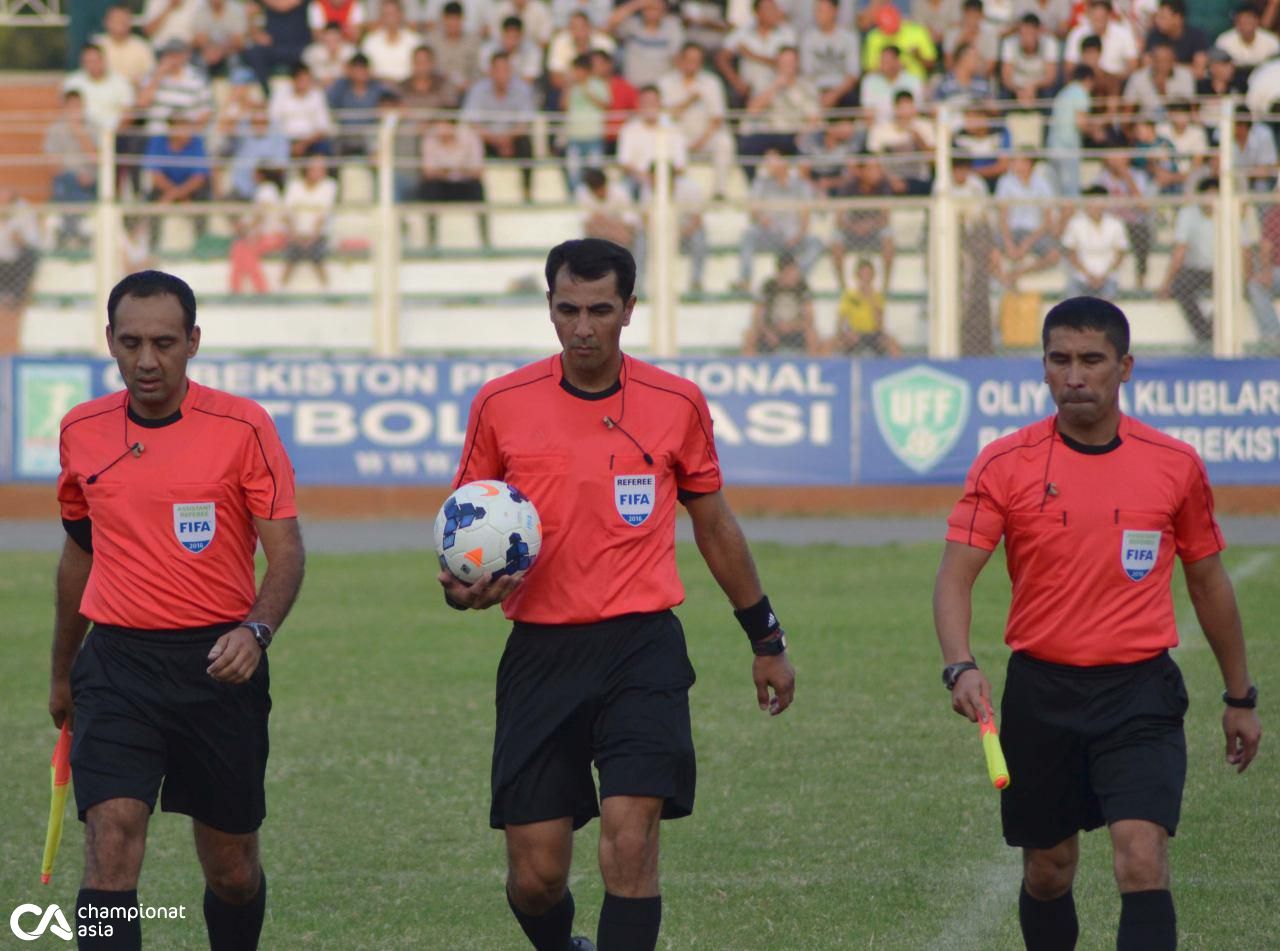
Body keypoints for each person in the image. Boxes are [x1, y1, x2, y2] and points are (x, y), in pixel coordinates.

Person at [440, 238, 795, 951]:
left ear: (629, 310)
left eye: (600, 309)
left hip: (642, 647)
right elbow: (465, 531)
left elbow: (715, 525)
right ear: (549, 307)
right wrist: (459, 591)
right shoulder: (500, 404)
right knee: (536, 875)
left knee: (629, 842)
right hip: (541, 650)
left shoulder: (676, 403)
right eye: (567, 309)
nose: (583, 327)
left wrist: (766, 637)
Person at [932, 295, 1260, 951]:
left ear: (1125, 366)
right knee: (1048, 870)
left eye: (1091, 359)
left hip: (1139, 693)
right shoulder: (1006, 462)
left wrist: (1240, 695)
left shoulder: (1174, 463)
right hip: (1040, 694)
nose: (1074, 375)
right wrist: (960, 663)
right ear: (1044, 367)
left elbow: (1208, 582)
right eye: (1059, 360)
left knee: (1142, 857)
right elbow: (955, 575)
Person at [50, 269, 304, 951]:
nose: (145, 360)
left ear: (194, 340)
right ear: (109, 340)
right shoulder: (81, 430)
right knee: (112, 842)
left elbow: (286, 555)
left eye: (164, 342)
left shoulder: (244, 426)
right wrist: (60, 671)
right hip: (118, 663)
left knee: (232, 869)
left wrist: (257, 631)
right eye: (130, 342)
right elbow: (79, 554)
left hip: (220, 668)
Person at [1157, 176, 1217, 344]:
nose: (1211, 200)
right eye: (1207, 195)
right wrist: (1166, 283)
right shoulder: (1188, 214)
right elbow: (1179, 251)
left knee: (1231, 292)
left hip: (1224, 271)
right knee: (1180, 286)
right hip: (1196, 269)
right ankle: (1204, 333)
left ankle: (1215, 329)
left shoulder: (1231, 213)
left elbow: (1244, 249)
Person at [743, 253, 822, 354]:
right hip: (772, 331)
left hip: (795, 331)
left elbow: (810, 318)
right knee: (750, 335)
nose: (796, 275)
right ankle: (748, 367)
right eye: (792, 272)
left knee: (812, 334)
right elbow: (757, 316)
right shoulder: (768, 286)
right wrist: (767, 331)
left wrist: (793, 326)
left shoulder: (802, 286)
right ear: (782, 273)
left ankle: (813, 366)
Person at [832, 257, 902, 356]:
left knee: (892, 344)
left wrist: (871, 299)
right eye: (863, 274)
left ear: (873, 276)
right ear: (857, 276)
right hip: (854, 333)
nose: (866, 278)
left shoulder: (877, 297)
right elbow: (840, 322)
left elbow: (879, 326)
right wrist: (845, 333)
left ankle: (896, 368)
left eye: (868, 274)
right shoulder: (849, 296)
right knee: (834, 343)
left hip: (873, 334)